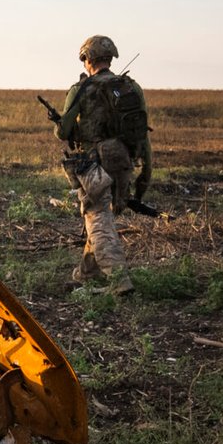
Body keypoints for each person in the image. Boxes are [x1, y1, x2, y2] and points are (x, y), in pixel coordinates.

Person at [52, 35, 153, 296]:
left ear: (88, 59)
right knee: (101, 219)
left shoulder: (82, 89)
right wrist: (145, 175)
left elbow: (63, 133)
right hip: (123, 161)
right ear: (110, 58)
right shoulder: (131, 88)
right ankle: (86, 273)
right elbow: (142, 133)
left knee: (98, 220)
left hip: (94, 162)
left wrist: (63, 126)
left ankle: (119, 280)